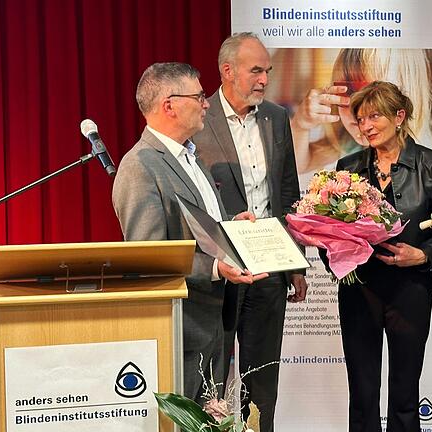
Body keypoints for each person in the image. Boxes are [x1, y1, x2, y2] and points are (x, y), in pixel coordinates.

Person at [112, 62, 266, 402]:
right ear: (169, 105)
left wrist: (230, 227)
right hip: (181, 327)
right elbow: (147, 256)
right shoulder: (140, 166)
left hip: (214, 321)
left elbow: (200, 227)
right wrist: (213, 268)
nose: (207, 103)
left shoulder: (190, 158)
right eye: (198, 96)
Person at [190, 32, 305, 432]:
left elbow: (288, 192)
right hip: (220, 270)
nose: (263, 79)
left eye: (267, 71)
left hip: (270, 270)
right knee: (212, 377)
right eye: (255, 70)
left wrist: (296, 263)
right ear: (227, 71)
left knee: (262, 379)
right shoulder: (198, 119)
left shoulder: (275, 116)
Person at [330, 81, 432, 431]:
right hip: (358, 290)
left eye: (374, 116)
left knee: (405, 390)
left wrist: (423, 255)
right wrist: (339, 259)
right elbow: (329, 231)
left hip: (410, 289)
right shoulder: (348, 166)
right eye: (361, 118)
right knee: (362, 391)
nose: (366, 126)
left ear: (400, 116)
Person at [290, 48, 432, 177]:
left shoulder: (429, 165)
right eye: (346, 92)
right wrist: (300, 125)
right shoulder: (347, 146)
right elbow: (298, 165)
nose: (356, 110)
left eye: (371, 97)